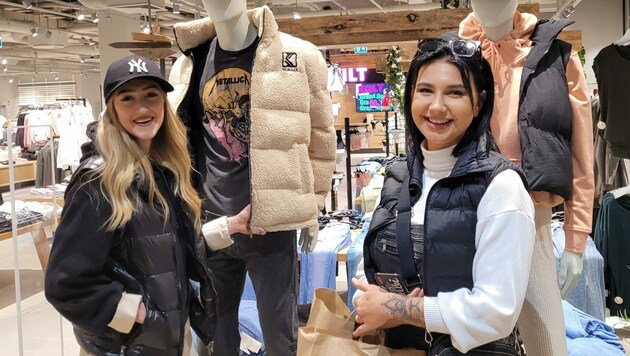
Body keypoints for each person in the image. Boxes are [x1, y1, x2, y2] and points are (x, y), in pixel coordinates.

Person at [168, 1, 336, 355]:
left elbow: (321, 138)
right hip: (213, 226)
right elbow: (180, 144)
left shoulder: (299, 55)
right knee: (215, 336)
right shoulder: (188, 64)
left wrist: (313, 204)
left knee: (280, 338)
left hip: (271, 227)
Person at [351, 37, 536, 354]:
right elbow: (366, 276)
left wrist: (400, 310)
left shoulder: (501, 186)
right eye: (425, 90)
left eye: (456, 92)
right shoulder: (397, 175)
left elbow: (496, 312)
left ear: (478, 104)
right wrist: (369, 302)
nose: (436, 106)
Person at [45, 56, 216, 355]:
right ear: (112, 111)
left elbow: (165, 247)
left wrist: (227, 229)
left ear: (164, 102)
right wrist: (134, 316)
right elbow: (65, 282)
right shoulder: (98, 181)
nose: (142, 108)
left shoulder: (163, 170)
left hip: (164, 341)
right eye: (127, 98)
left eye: (151, 95)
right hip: (124, 345)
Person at [458, 1, 594, 354]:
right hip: (463, 211)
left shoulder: (557, 55)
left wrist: (576, 238)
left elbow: (581, 155)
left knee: (544, 339)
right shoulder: (454, 53)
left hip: (532, 213)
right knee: (471, 337)